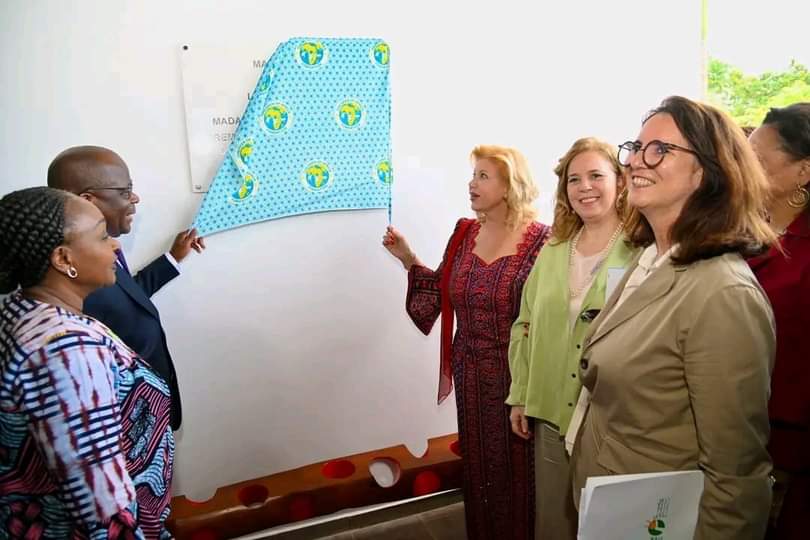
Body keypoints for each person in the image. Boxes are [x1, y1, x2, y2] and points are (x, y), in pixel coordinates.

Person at [569, 96, 777, 539]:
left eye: (659, 150)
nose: (635, 162)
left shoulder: (723, 293)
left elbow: (736, 476)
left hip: (656, 519)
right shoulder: (649, 260)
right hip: (615, 505)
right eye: (635, 147)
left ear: (706, 171)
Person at [383, 145, 550, 539]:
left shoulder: (545, 241)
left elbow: (552, 315)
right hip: (471, 376)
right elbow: (439, 293)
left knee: (522, 475)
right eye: (473, 175)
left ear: (510, 186)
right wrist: (408, 259)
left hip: (520, 380)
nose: (471, 184)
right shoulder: (464, 233)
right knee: (480, 473)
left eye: (482, 176)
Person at [0, 187, 174, 538]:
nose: (116, 246)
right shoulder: (66, 352)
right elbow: (102, 509)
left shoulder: (25, 309)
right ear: (63, 259)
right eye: (102, 236)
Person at [507, 137, 637, 540]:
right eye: (573, 179)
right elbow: (525, 324)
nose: (585, 187)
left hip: (610, 419)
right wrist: (521, 394)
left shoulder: (642, 250)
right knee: (554, 523)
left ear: (620, 181)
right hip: (550, 416)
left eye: (596, 175)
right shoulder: (553, 249)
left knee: (608, 526)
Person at [47, 146, 204, 430]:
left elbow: (126, 298)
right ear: (88, 201)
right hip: (126, 426)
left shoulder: (95, 255)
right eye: (124, 191)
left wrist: (173, 258)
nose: (135, 198)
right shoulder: (69, 278)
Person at [748, 102, 810, 540]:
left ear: (802, 173)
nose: (742, 166)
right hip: (736, 441)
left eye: (757, 158)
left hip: (791, 457)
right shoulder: (740, 234)